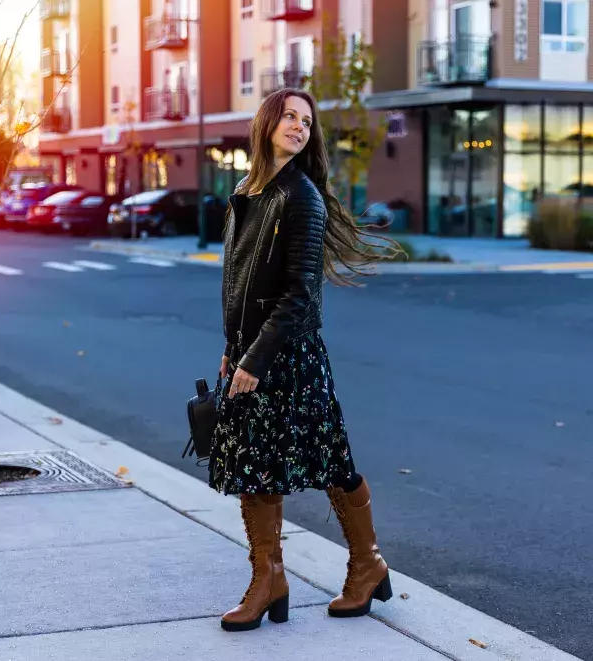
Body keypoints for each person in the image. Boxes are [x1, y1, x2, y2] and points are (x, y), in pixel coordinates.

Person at [209, 88, 402, 632]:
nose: (298, 126)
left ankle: (367, 565)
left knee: (331, 464)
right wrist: (232, 349)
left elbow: (302, 295)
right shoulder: (248, 191)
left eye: (306, 121)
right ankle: (268, 577)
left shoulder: (302, 197)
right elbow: (239, 284)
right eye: (289, 116)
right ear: (267, 122)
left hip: (289, 356)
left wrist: (257, 359)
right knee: (255, 465)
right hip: (251, 353)